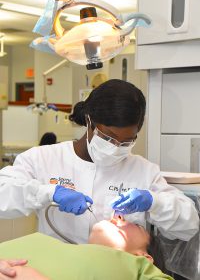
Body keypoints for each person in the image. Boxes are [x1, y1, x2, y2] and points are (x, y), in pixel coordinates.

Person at [0, 79, 198, 243]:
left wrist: (154, 202)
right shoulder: (43, 158)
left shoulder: (143, 171)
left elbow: (189, 226)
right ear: (89, 122)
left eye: (127, 141)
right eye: (109, 137)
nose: (116, 146)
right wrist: (48, 193)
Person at [0, 218, 174, 279]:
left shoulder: (142, 271)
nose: (119, 216)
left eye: (135, 225)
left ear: (144, 257)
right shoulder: (58, 248)